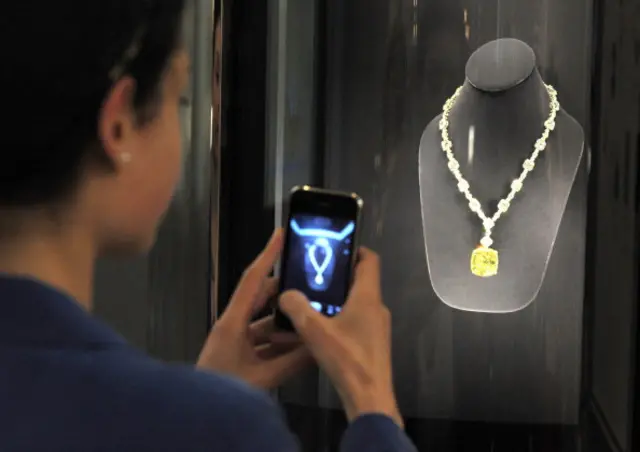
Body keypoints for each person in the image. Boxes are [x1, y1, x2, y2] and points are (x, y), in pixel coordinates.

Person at [0, 2, 417, 451]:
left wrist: (203, 394)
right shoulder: (222, 428)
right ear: (118, 125)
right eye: (178, 100)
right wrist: (371, 402)